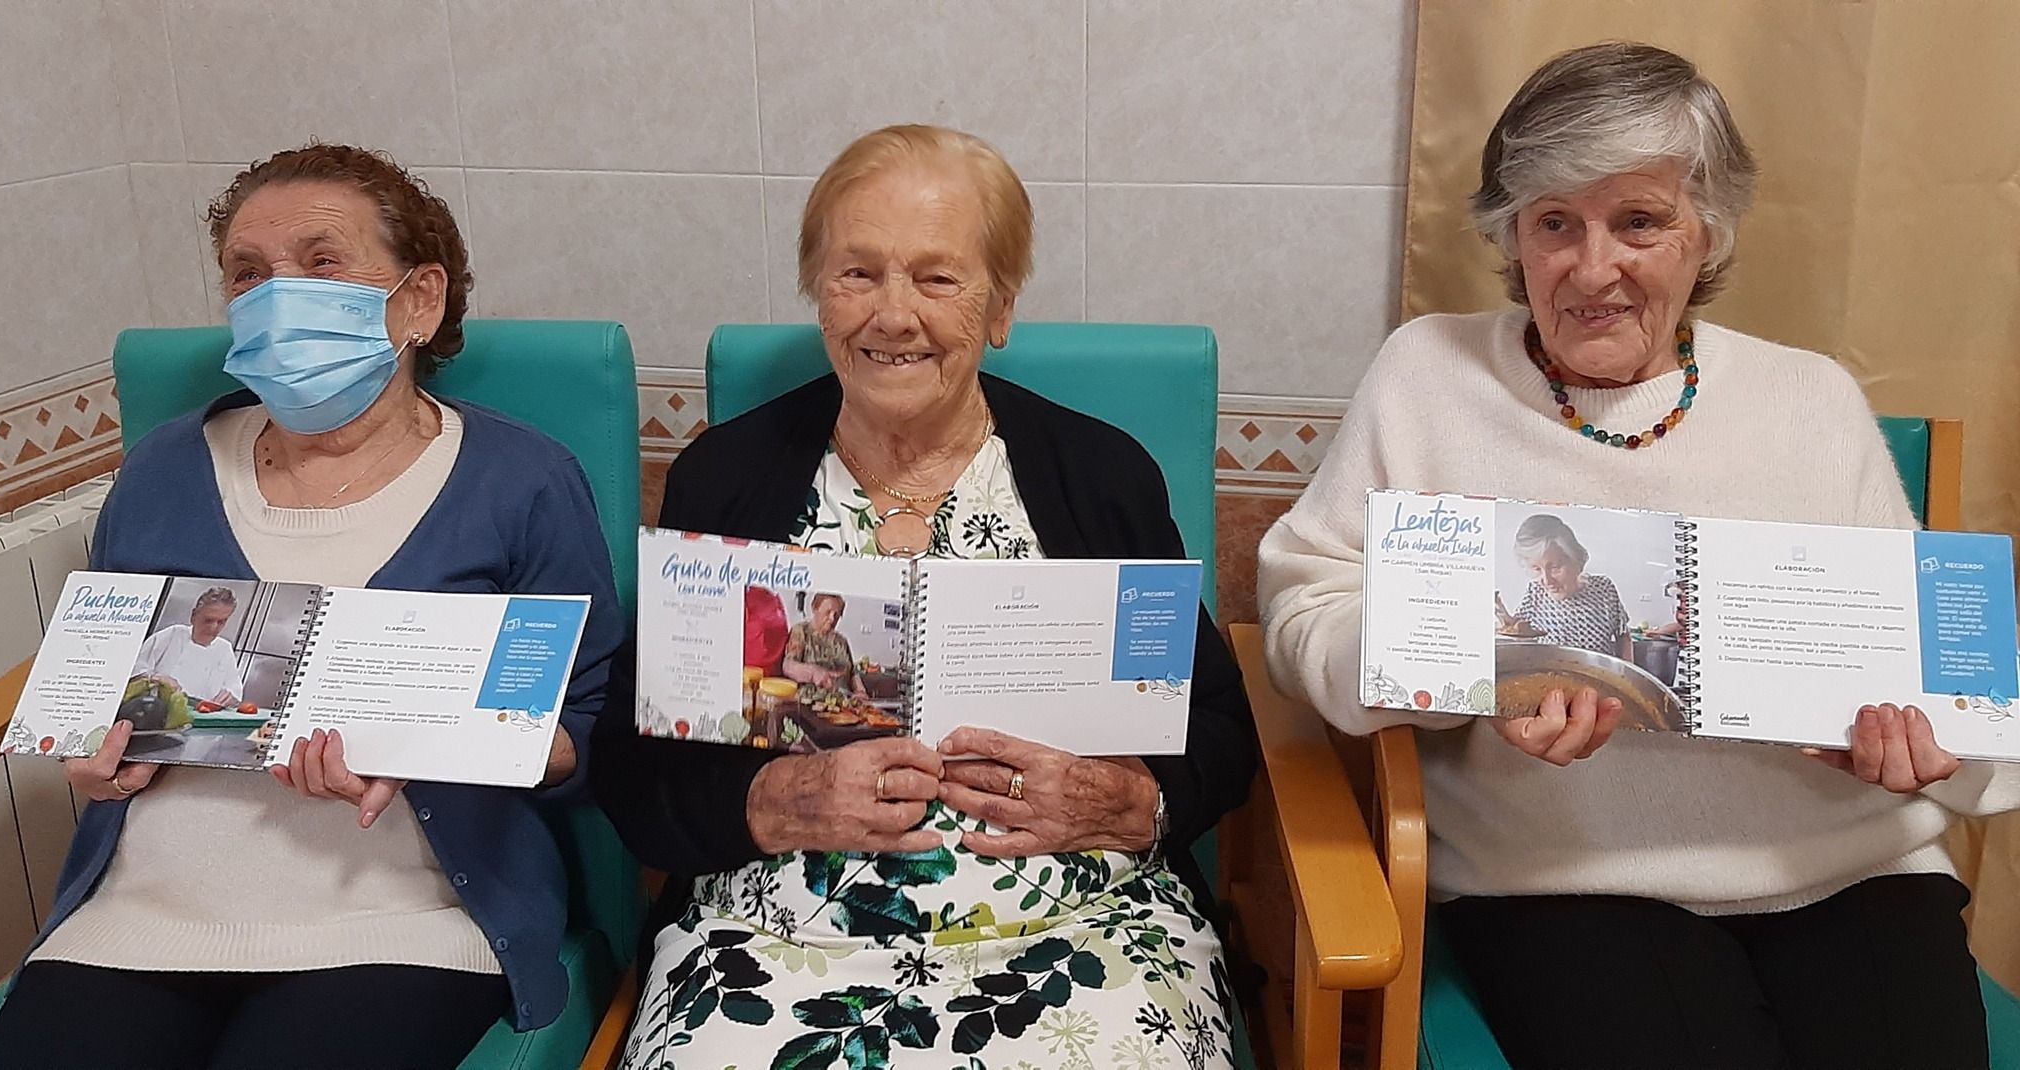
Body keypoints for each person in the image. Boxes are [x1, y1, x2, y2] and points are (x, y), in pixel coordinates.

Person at [1257, 42, 2014, 1070]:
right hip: (1563, 877)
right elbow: (1303, 607)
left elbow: (1934, 677)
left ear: (1706, 234)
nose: (1590, 265)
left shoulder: (1810, 399)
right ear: (1509, 232)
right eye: (1553, 221)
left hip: (1849, 870)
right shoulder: (1425, 375)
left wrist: (1921, 743)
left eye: (1638, 222)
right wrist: (1452, 666)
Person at [593, 124, 1256, 1069]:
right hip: (778, 942)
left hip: (1081, 930)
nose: (892, 316)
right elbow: (635, 762)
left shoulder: (1098, 476)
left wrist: (1130, 801)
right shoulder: (727, 478)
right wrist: (772, 802)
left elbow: (1219, 731)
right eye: (857, 273)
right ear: (818, 296)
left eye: (937, 278)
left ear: (998, 308)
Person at [0, 143, 622, 1070]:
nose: (278, 293)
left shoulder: (521, 482)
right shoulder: (161, 470)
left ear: (419, 300)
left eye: (322, 262)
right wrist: (98, 759)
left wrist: (437, 741)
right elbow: (104, 684)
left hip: (401, 922)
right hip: (144, 916)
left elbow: (592, 732)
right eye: (249, 273)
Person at [1496, 513, 1630, 659]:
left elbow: (1623, 636)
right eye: (1536, 569)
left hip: (1599, 677)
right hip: (1550, 677)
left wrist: (1629, 673)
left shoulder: (1604, 589)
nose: (1546, 581)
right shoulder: (1535, 592)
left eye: (1555, 567)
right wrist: (1505, 618)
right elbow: (1518, 631)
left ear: (1576, 560)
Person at [131, 586, 245, 706]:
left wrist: (229, 695)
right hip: (156, 709)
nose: (213, 627)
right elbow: (134, 672)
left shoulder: (224, 649)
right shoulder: (171, 635)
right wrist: (157, 678)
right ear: (194, 615)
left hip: (201, 715)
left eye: (221, 622)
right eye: (208, 620)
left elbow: (235, 689)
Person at [781, 592, 864, 694]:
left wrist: (860, 691)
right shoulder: (801, 632)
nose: (832, 619)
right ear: (815, 608)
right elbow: (788, 666)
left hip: (843, 703)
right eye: (828, 612)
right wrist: (813, 673)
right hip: (811, 701)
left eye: (837, 615)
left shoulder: (841, 641)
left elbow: (853, 673)